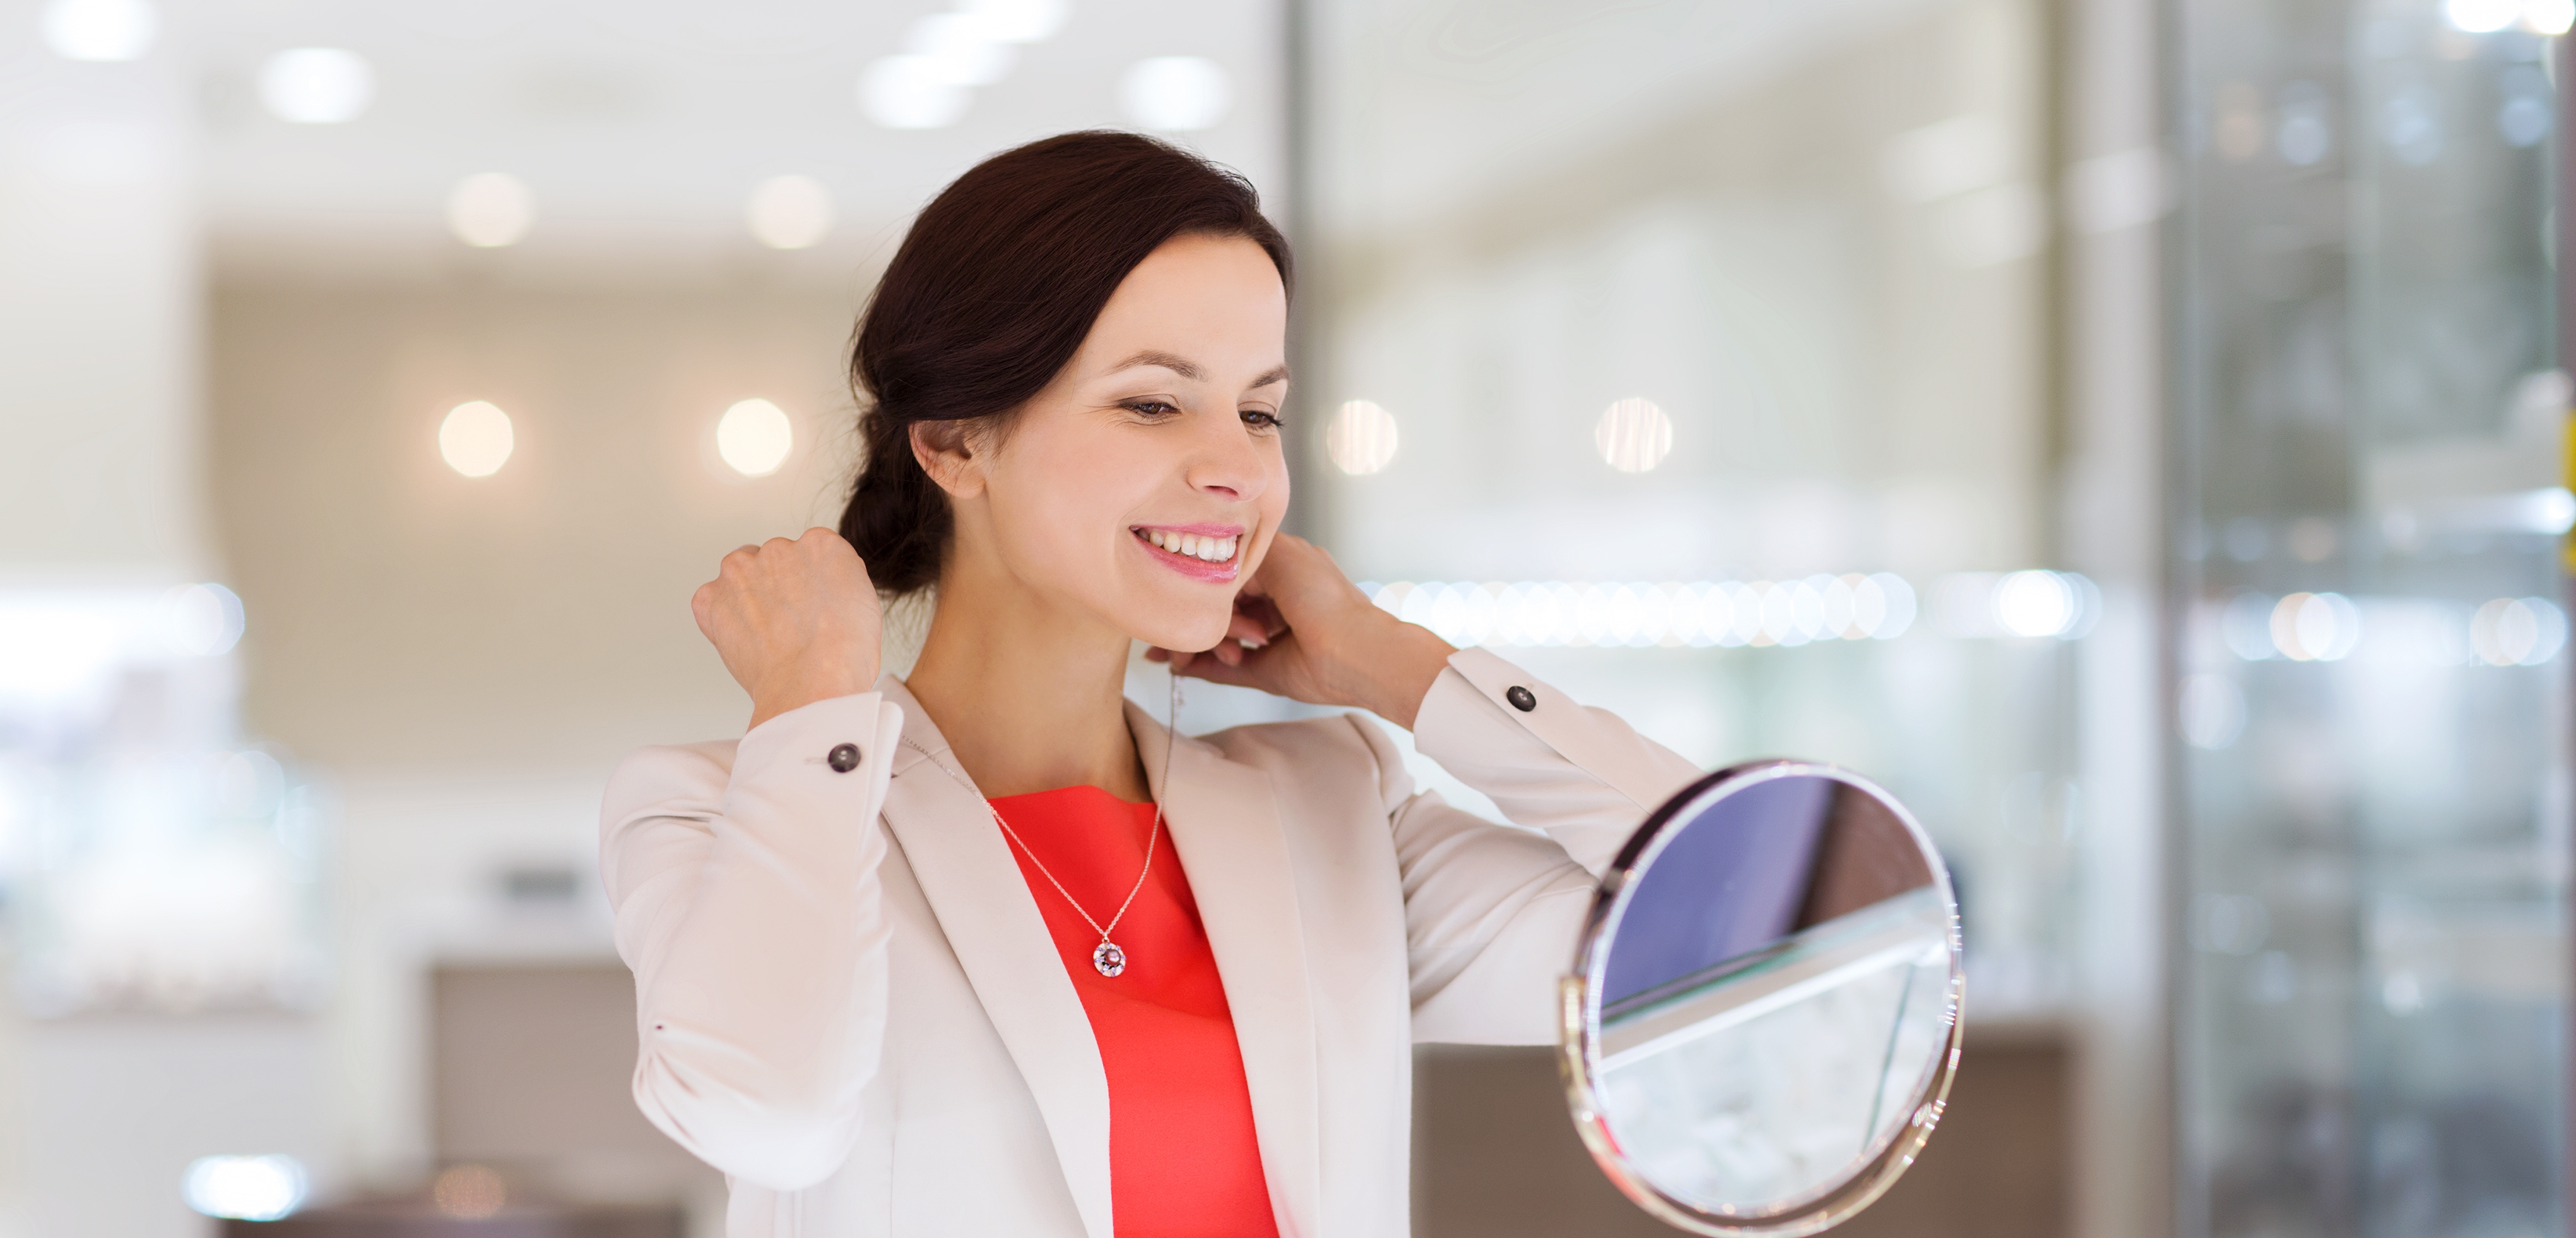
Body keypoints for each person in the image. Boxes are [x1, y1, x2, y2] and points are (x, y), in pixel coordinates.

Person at [600, 131, 1701, 1238]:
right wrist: (813, 706)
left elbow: (1752, 923)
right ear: (953, 443)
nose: (1236, 468)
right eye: (1153, 404)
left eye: (1259, 411)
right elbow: (765, 1115)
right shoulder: (728, 808)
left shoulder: (1329, 810)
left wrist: (1399, 666)